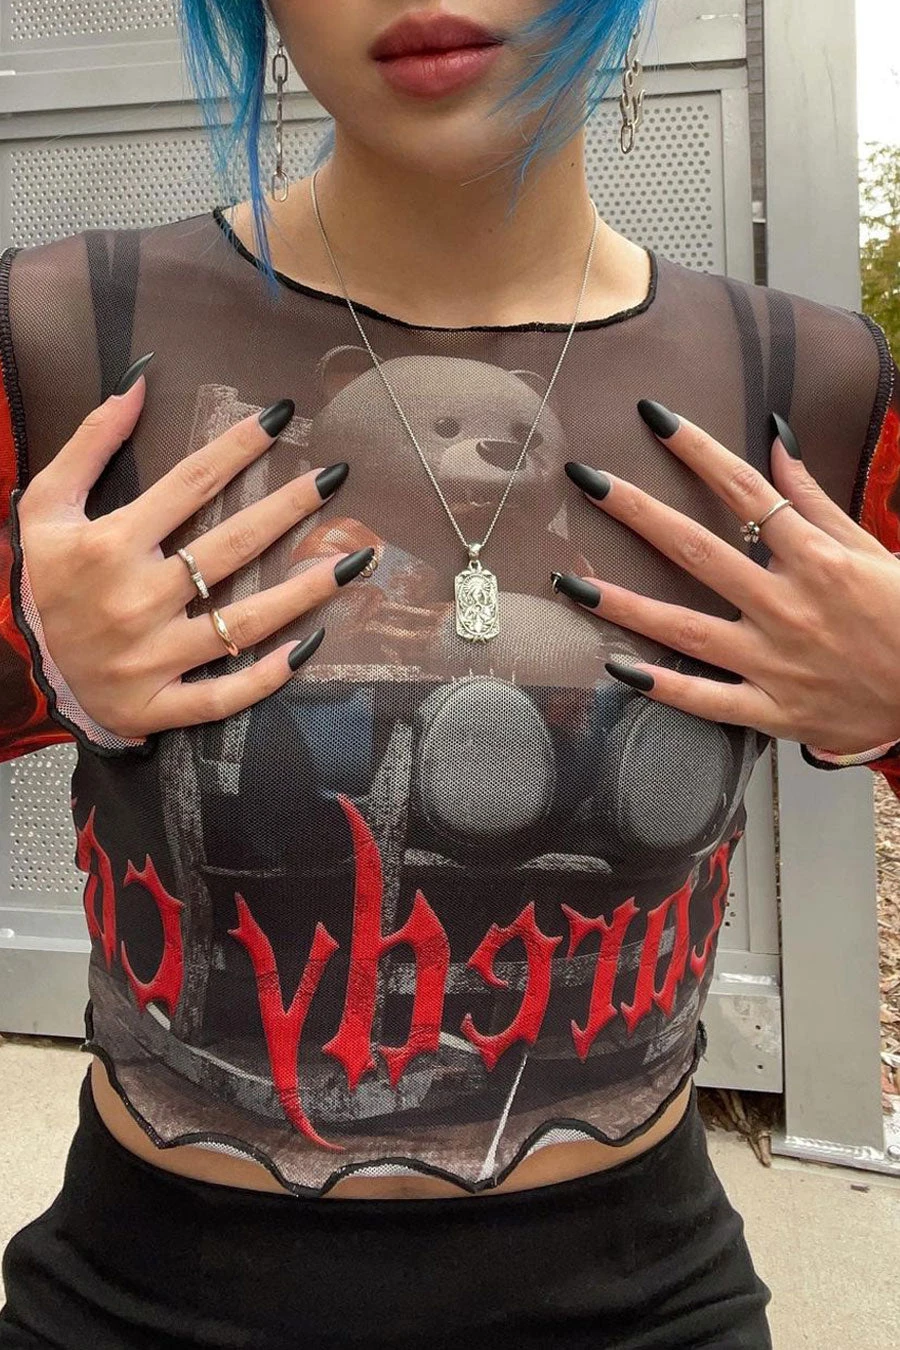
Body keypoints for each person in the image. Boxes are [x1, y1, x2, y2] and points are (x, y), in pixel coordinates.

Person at [0, 1, 898, 1346]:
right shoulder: (67, 328)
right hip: (143, 1295)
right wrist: (33, 656)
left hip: (644, 1300)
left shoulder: (806, 378)